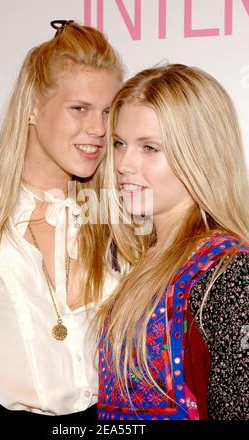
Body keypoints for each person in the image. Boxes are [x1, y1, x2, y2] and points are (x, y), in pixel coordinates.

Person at [0, 20, 123, 422]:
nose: (97, 129)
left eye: (108, 112)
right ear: (33, 107)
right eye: (79, 108)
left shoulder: (123, 218)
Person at [95, 64, 249, 420]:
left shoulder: (230, 271)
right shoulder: (137, 258)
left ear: (199, 155)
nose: (123, 164)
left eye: (149, 148)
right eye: (119, 144)